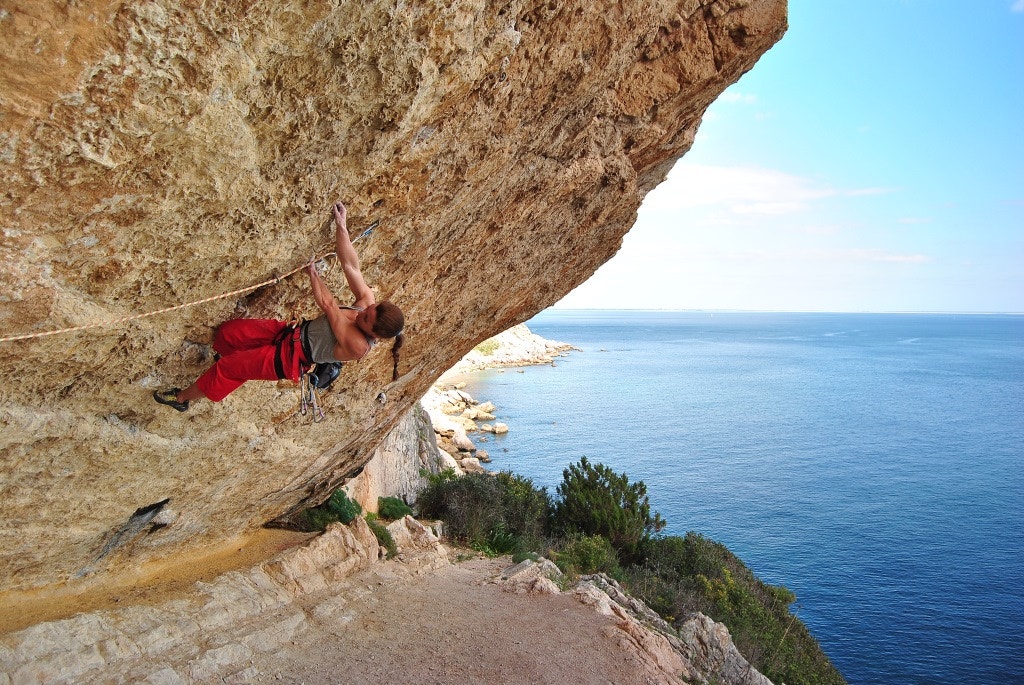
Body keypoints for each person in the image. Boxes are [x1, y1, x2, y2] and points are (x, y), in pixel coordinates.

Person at [154, 202, 405, 412]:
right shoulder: (367, 306)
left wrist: (313, 273)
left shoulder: (358, 345)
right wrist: (342, 226)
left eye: (366, 319)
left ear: (374, 334)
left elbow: (328, 305)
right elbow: (351, 266)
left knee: (229, 368)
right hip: (289, 334)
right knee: (230, 333)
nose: (363, 312)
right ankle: (231, 360)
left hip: (287, 359)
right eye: (370, 309)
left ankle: (182, 398)